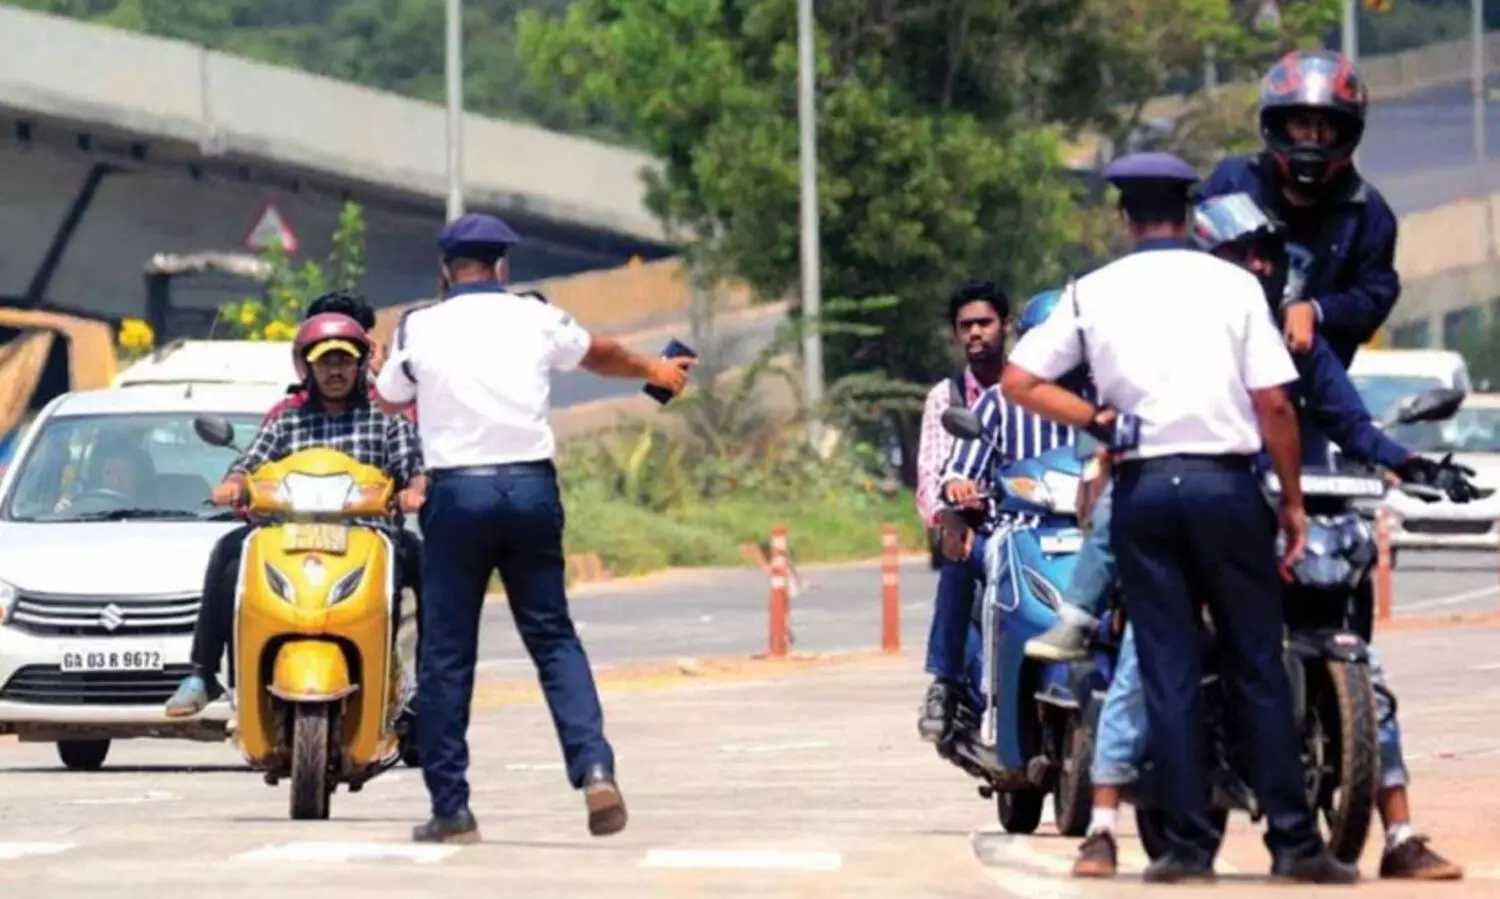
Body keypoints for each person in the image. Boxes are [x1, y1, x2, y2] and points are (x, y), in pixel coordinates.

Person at [1063, 191, 1470, 882]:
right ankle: (1101, 821)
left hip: (1283, 518)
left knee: (1361, 665)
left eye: (1267, 255)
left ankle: (1399, 829)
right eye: (1242, 256)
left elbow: (1349, 422)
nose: (1258, 267)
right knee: (1149, 661)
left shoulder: (1297, 341)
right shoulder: (1187, 334)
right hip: (1214, 509)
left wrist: (1409, 461)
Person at [1000, 151, 1355, 883]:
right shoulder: (1232, 285)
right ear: (1192, 216)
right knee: (1257, 661)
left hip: (1145, 493)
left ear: (1125, 217)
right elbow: (1276, 403)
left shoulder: (1093, 290)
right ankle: (1293, 843)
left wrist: (1098, 417)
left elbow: (1019, 378)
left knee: (1167, 668)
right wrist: (1290, 501)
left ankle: (1187, 847)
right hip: (1226, 488)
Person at [373, 213, 694, 844]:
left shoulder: (420, 324)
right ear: (502, 266)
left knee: (446, 653)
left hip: (456, 495)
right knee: (552, 638)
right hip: (528, 488)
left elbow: (388, 397)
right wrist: (654, 372)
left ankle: (452, 809)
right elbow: (599, 353)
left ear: (445, 268)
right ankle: (594, 767)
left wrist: (394, 365)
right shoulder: (536, 315)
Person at [164, 313, 427, 717]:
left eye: (344, 361)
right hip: (288, 540)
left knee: (426, 565)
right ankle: (202, 673)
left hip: (369, 539)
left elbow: (413, 470)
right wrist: (234, 483)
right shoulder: (287, 421)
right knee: (228, 554)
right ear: (308, 367)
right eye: (325, 362)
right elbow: (250, 463)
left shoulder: (386, 419)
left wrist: (413, 491)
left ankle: (429, 684)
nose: (335, 371)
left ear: (359, 365)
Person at [917, 288, 1088, 741]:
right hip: (1013, 534)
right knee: (963, 562)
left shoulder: (1104, 402)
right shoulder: (996, 403)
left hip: (1094, 534)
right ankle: (950, 683)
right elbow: (957, 470)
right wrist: (958, 487)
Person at [1201, 49, 1398, 366]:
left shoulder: (1367, 212)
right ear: (1280, 125)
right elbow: (1188, 259)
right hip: (1222, 368)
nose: (1314, 138)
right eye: (1302, 124)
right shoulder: (1233, 180)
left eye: (1327, 127)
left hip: (1309, 380)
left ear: (1346, 132)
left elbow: (1376, 295)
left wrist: (1317, 311)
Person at [914, 281, 1008, 740]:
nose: (976, 333)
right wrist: (949, 515)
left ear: (1006, 327)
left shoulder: (1032, 390)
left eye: (985, 323)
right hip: (972, 529)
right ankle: (946, 683)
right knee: (958, 564)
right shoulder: (945, 398)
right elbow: (930, 478)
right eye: (966, 325)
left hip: (1033, 521)